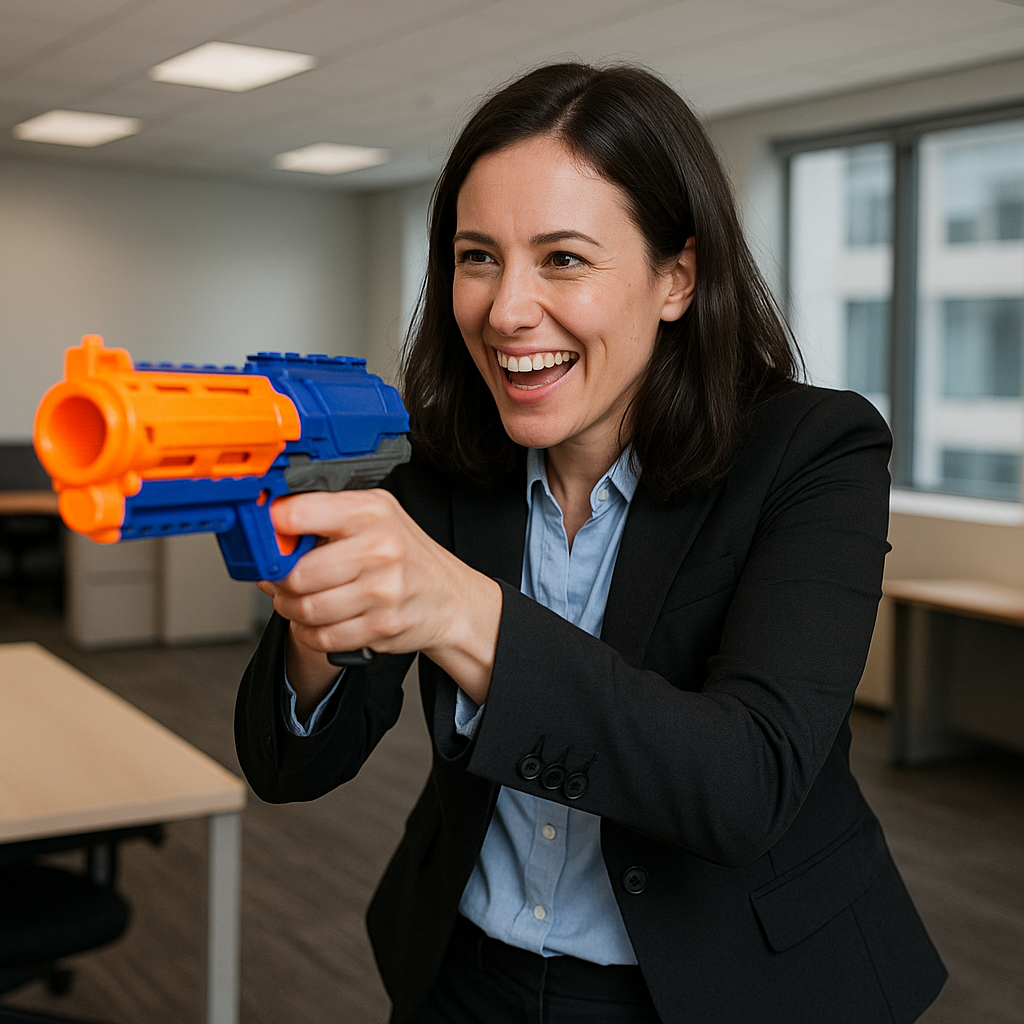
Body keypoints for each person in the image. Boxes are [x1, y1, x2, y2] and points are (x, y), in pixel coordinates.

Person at [235, 63, 947, 1024]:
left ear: (676, 278)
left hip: (726, 987)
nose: (505, 309)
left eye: (562, 259)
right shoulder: (437, 460)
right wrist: (321, 627)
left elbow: (745, 785)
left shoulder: (815, 451)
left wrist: (462, 612)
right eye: (477, 256)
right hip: (465, 970)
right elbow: (291, 771)